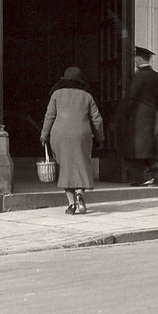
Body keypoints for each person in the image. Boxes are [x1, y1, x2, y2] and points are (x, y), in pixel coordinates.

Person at [40, 66, 104, 215]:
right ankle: (80, 194)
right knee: (81, 164)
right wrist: (100, 137)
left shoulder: (56, 94)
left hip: (60, 135)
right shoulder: (87, 96)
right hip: (82, 135)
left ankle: (71, 204)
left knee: (65, 167)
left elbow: (49, 116)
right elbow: (97, 119)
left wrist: (44, 135)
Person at [116, 46, 158, 187]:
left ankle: (145, 178)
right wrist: (152, 109)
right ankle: (149, 175)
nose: (134, 61)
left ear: (138, 59)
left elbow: (131, 98)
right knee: (146, 148)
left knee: (131, 150)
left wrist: (124, 115)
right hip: (150, 117)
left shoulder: (138, 76)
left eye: (135, 58)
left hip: (136, 118)